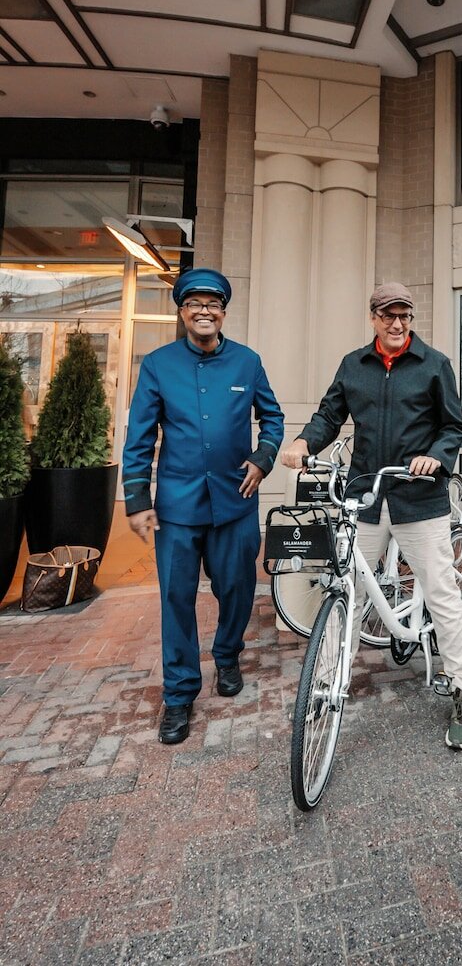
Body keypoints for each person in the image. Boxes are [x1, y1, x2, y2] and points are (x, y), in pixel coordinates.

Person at [280, 282, 462, 750]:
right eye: (387, 315)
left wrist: (436, 455)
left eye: (404, 316)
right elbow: (329, 416)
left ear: (411, 319)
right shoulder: (354, 365)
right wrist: (303, 443)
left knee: (441, 591)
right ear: (373, 317)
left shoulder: (434, 365)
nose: (397, 324)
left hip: (418, 496)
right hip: (365, 496)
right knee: (347, 591)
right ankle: (328, 684)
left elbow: (454, 426)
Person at [123, 268, 284, 744]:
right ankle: (178, 696)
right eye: (194, 304)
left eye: (213, 304)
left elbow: (272, 418)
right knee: (176, 599)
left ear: (224, 312)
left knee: (236, 589)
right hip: (177, 506)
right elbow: (139, 438)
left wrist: (263, 458)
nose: (204, 311)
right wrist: (136, 500)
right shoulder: (157, 364)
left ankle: (228, 654)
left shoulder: (248, 362)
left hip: (236, 501)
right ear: (182, 311)